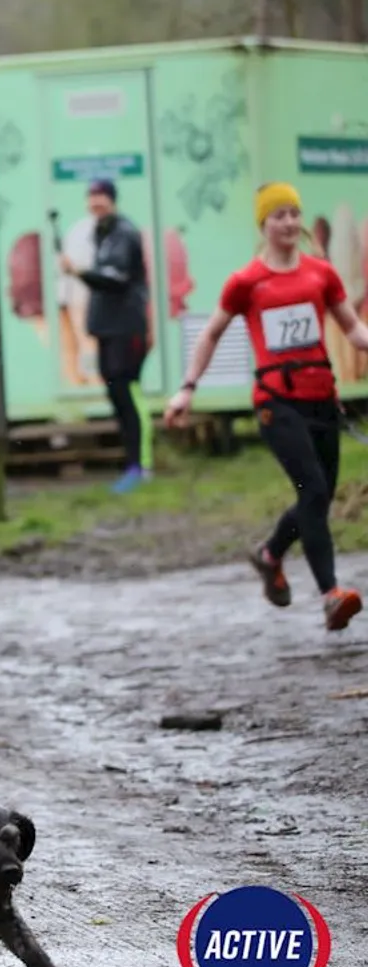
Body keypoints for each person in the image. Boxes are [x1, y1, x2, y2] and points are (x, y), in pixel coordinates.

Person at [165, 182, 368, 632]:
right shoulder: (246, 282)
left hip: (321, 398)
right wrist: (187, 387)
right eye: (279, 215)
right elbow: (212, 333)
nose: (290, 223)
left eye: (295, 213)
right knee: (313, 491)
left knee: (317, 499)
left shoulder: (322, 274)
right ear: (264, 224)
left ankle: (269, 554)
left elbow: (353, 330)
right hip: (277, 402)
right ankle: (331, 595)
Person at [61, 178, 151, 493]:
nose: (96, 202)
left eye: (101, 196)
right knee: (116, 395)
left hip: (126, 327)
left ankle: (139, 465)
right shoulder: (103, 233)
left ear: (112, 200)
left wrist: (79, 272)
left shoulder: (123, 233)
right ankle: (132, 463)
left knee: (127, 394)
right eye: (91, 196)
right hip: (107, 328)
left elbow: (116, 279)